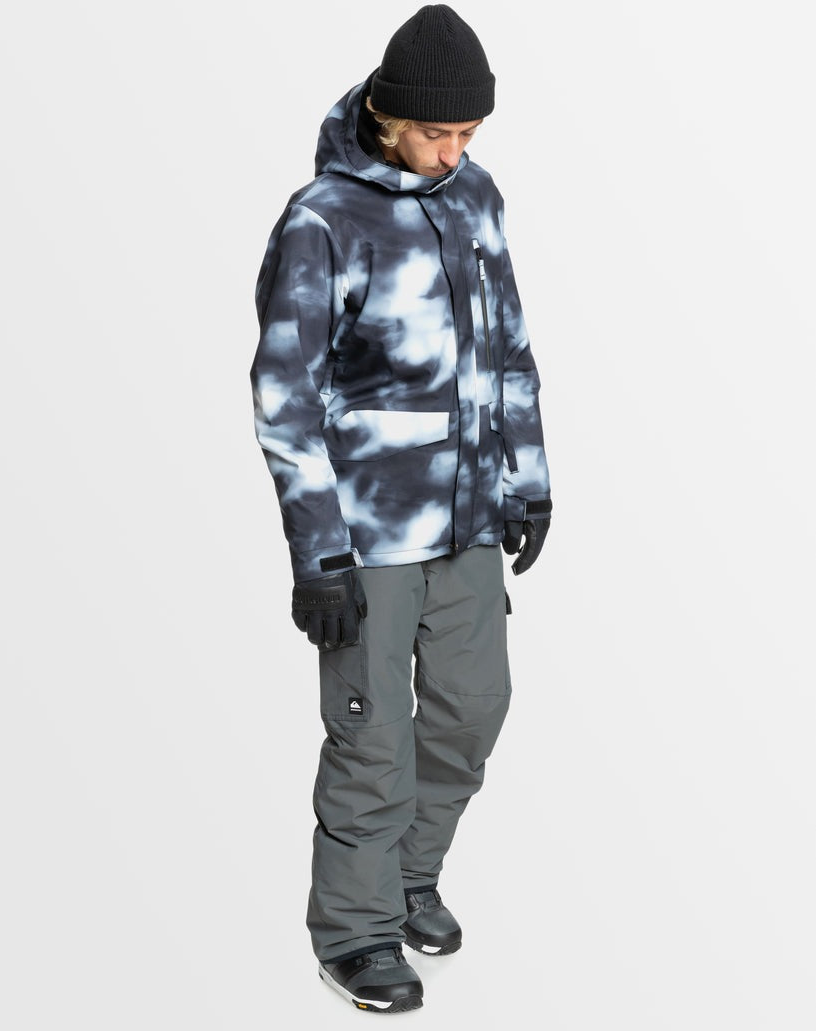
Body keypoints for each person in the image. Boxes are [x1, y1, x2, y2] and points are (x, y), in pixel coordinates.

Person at [249, 4, 552, 1014]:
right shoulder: (323, 219)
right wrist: (318, 554)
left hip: (467, 519)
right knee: (371, 737)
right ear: (387, 117)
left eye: (468, 133)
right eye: (434, 132)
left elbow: (510, 352)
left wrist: (528, 480)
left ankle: (409, 877)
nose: (451, 151)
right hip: (369, 535)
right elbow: (285, 395)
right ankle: (356, 930)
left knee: (473, 709)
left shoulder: (477, 198)